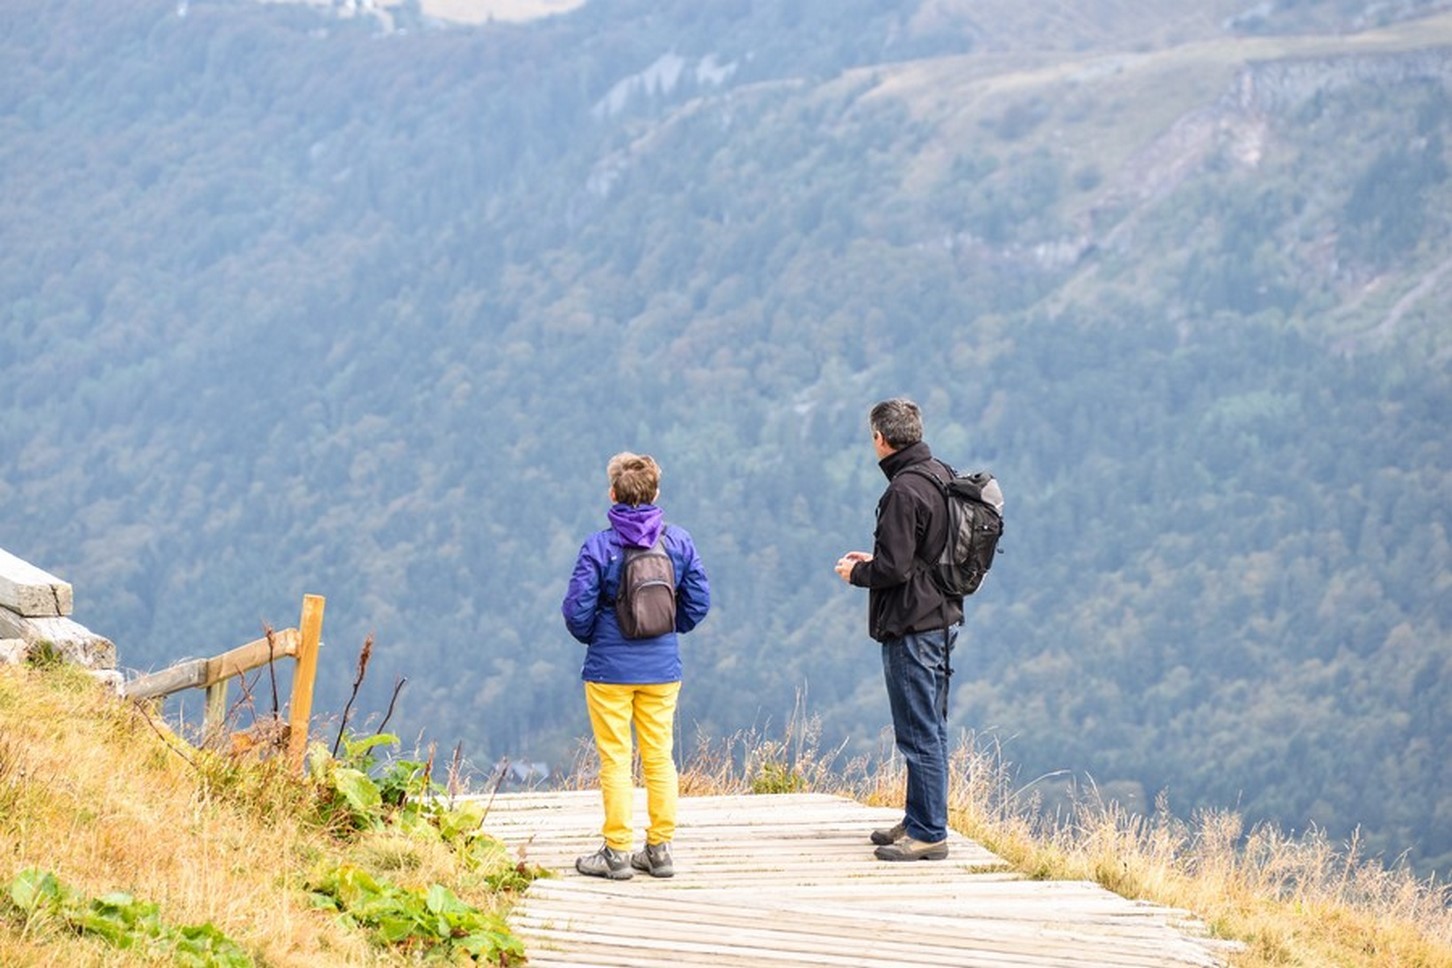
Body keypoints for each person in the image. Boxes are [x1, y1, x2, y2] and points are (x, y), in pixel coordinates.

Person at [561, 452, 711, 880]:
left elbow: (577, 610)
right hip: (663, 669)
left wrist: (599, 637)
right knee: (659, 758)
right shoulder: (678, 542)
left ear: (612, 494)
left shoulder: (599, 546)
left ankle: (616, 853)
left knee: (615, 760)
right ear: (656, 493)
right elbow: (699, 601)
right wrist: (666, 627)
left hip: (609, 670)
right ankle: (659, 850)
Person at [834, 398, 963, 862]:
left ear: (881, 439)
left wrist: (858, 572)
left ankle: (928, 831)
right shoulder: (940, 474)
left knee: (918, 731)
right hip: (942, 617)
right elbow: (920, 555)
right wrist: (880, 564)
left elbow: (893, 568)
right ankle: (919, 817)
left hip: (912, 625)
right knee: (931, 727)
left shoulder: (903, 492)